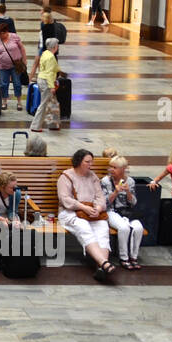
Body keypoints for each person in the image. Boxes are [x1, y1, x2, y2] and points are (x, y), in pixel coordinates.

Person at [58, 149, 116, 282]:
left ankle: (102, 267)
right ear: (79, 161)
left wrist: (98, 208)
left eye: (91, 162)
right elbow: (65, 199)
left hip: (92, 212)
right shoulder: (66, 177)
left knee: (103, 228)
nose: (90, 164)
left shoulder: (93, 177)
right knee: (84, 227)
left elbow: (100, 196)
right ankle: (104, 262)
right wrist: (84, 207)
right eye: (87, 162)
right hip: (71, 212)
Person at [101, 156, 145, 269]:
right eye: (110, 167)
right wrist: (115, 192)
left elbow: (133, 203)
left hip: (127, 212)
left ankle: (133, 257)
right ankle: (124, 258)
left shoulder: (130, 181)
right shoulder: (105, 181)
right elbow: (104, 204)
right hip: (111, 211)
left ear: (123, 169)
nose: (111, 169)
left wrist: (128, 192)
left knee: (139, 228)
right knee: (124, 228)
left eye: (114, 167)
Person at [0, 25, 28, 112]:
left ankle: (19, 102)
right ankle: (4, 102)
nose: (1, 35)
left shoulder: (15, 37)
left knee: (17, 83)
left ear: (7, 31)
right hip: (3, 66)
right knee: (4, 84)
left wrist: (24, 60)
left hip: (15, 66)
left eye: (3, 33)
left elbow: (22, 48)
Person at [30, 38, 62, 132]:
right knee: (43, 104)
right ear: (55, 47)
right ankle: (35, 126)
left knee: (53, 103)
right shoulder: (51, 57)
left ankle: (53, 124)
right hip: (46, 82)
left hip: (41, 79)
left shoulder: (45, 53)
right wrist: (52, 86)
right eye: (57, 45)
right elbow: (49, 73)